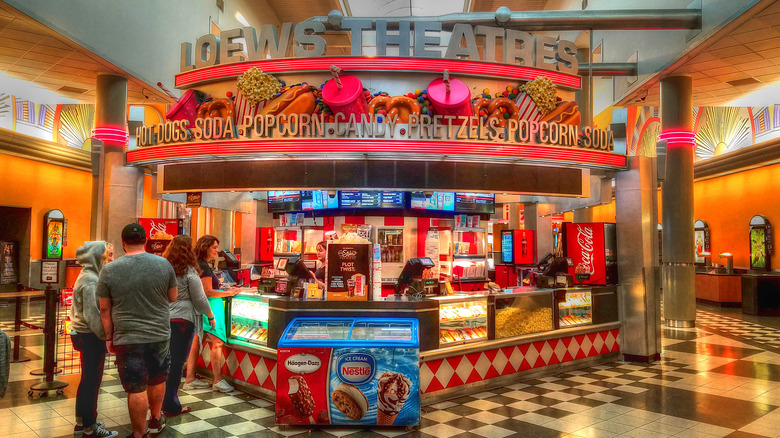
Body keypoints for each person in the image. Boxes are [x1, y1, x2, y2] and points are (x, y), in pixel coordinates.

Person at [97, 224, 177, 438]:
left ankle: (139, 433)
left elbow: (104, 308)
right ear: (145, 241)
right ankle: (156, 420)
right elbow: (173, 297)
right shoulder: (164, 264)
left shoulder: (109, 270)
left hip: (127, 335)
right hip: (159, 333)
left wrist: (108, 337)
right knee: (157, 378)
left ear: (123, 243)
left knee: (135, 387)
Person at [162, 235, 215, 416]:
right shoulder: (190, 271)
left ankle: (158, 401)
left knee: (165, 362)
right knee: (176, 364)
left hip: (164, 318)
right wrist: (210, 316)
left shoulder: (165, 267)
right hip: (183, 321)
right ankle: (171, 404)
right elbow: (200, 298)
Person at [70, 241, 117, 437]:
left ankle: (83, 421)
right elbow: (93, 315)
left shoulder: (89, 275)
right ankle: (90, 426)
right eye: (109, 255)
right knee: (92, 381)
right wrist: (107, 337)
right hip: (89, 336)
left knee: (87, 379)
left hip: (85, 334)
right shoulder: (90, 280)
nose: (112, 259)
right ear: (98, 256)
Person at [183, 235, 239, 393]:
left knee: (196, 342)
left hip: (199, 308)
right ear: (205, 247)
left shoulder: (196, 264)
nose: (216, 250)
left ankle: (190, 379)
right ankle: (218, 380)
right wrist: (229, 293)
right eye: (214, 247)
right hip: (211, 308)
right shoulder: (204, 266)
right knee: (217, 342)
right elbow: (207, 292)